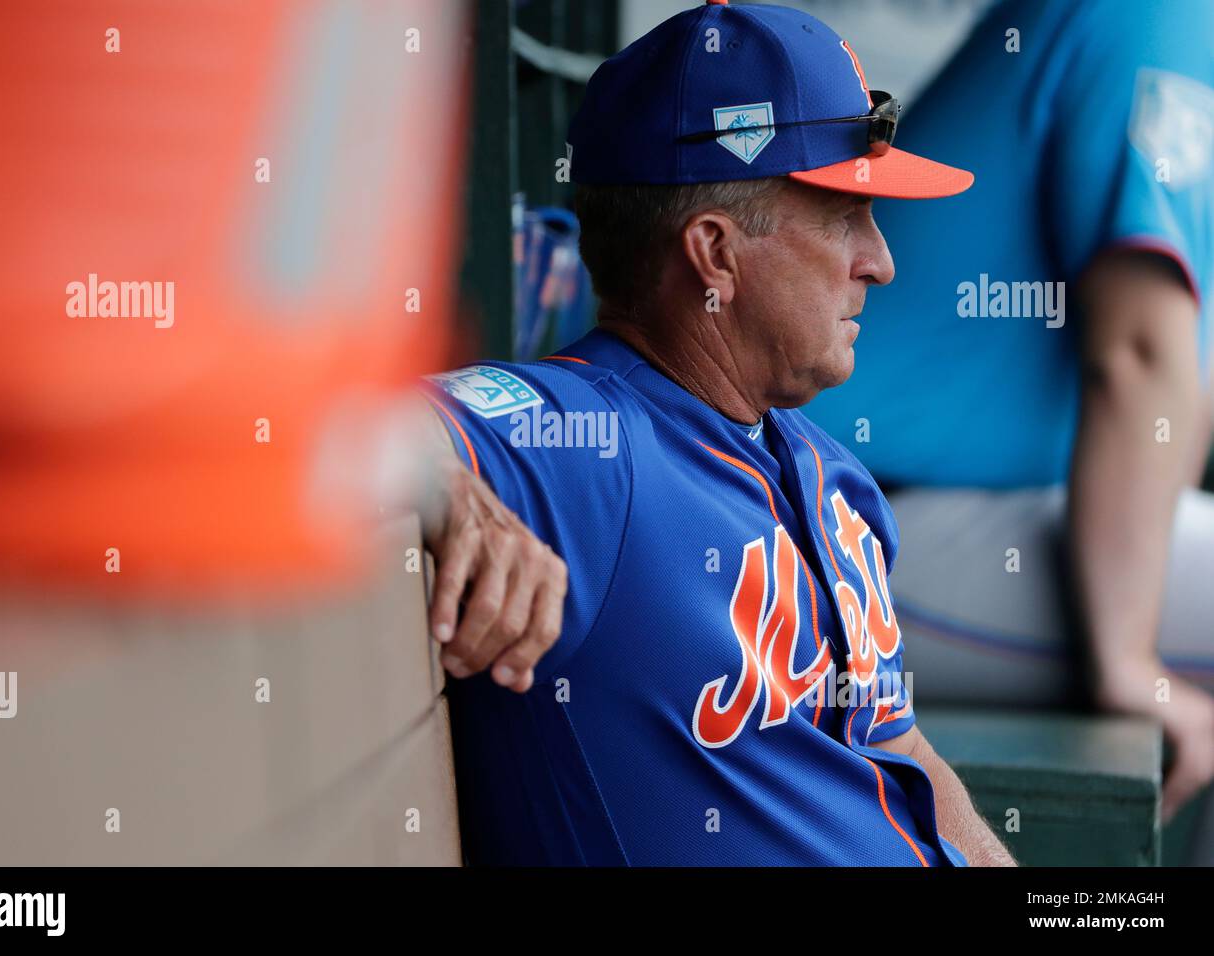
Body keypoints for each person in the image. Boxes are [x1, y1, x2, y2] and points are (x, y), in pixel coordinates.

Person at [417, 0, 1013, 866]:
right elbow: (342, 421)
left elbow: (904, 754)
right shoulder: (585, 443)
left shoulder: (833, 476)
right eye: (845, 216)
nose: (880, 261)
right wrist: (461, 500)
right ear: (715, 254)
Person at [801, 0, 1214, 845]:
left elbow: (1180, 384)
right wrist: (1130, 664)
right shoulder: (1159, 12)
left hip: (956, 505)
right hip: (834, 522)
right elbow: (1138, 353)